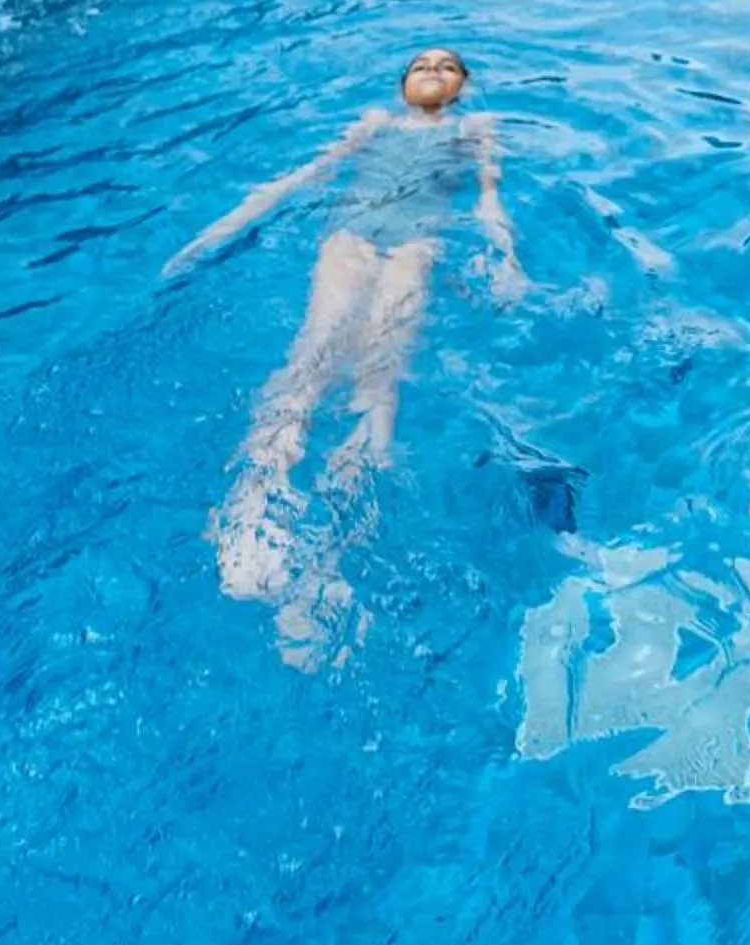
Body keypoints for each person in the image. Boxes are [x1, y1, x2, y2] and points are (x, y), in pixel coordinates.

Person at [166, 46, 524, 657]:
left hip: (417, 246)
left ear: (464, 85)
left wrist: (507, 257)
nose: (433, 67)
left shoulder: (475, 129)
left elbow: (489, 199)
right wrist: (221, 228)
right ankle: (253, 499)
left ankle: (333, 553)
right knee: (311, 360)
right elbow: (305, 175)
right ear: (401, 84)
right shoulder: (374, 123)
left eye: (447, 64)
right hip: (351, 238)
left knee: (379, 375)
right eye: (419, 64)